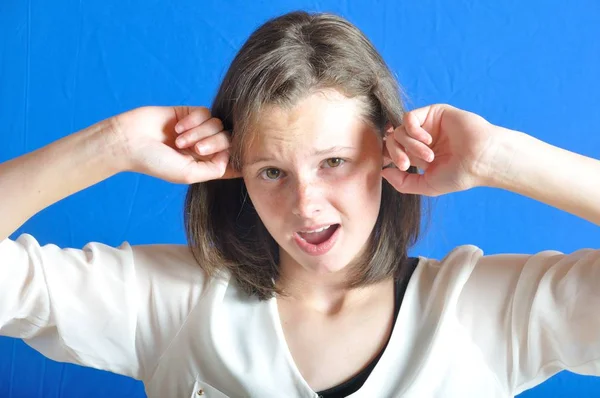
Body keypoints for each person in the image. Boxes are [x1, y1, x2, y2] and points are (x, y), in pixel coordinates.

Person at [1, 10, 599, 398]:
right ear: (238, 175)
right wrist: (115, 144)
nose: (306, 203)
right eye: (271, 171)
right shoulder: (168, 301)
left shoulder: (487, 312)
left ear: (390, 154)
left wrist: (500, 156)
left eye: (334, 162)